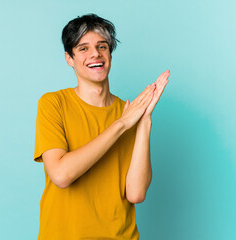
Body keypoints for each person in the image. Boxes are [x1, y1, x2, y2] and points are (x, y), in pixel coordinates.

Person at [34, 13, 170, 240]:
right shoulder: (53, 104)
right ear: (69, 58)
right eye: (83, 48)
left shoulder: (130, 112)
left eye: (102, 46)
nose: (95, 53)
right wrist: (122, 124)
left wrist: (144, 121)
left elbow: (135, 193)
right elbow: (62, 175)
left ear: (110, 54)